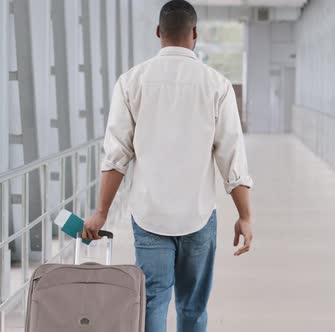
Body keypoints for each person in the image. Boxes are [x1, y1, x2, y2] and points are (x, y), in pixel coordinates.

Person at [83, 1, 253, 331]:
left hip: (150, 215)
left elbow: (116, 156)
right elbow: (232, 156)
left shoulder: (131, 81)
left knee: (152, 302)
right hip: (198, 215)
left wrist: (101, 212)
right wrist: (245, 216)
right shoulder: (217, 84)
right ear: (195, 34)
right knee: (192, 306)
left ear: (158, 33)